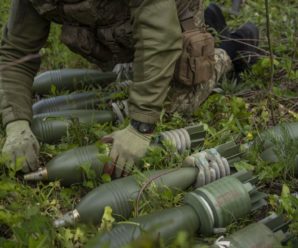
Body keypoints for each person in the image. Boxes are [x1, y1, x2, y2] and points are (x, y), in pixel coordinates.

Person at [0, 1, 259, 177]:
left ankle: (233, 47)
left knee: (176, 106)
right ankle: (209, 24)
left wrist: (140, 126)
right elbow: (16, 53)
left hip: (166, 16)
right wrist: (16, 123)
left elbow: (159, 38)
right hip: (124, 22)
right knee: (135, 75)